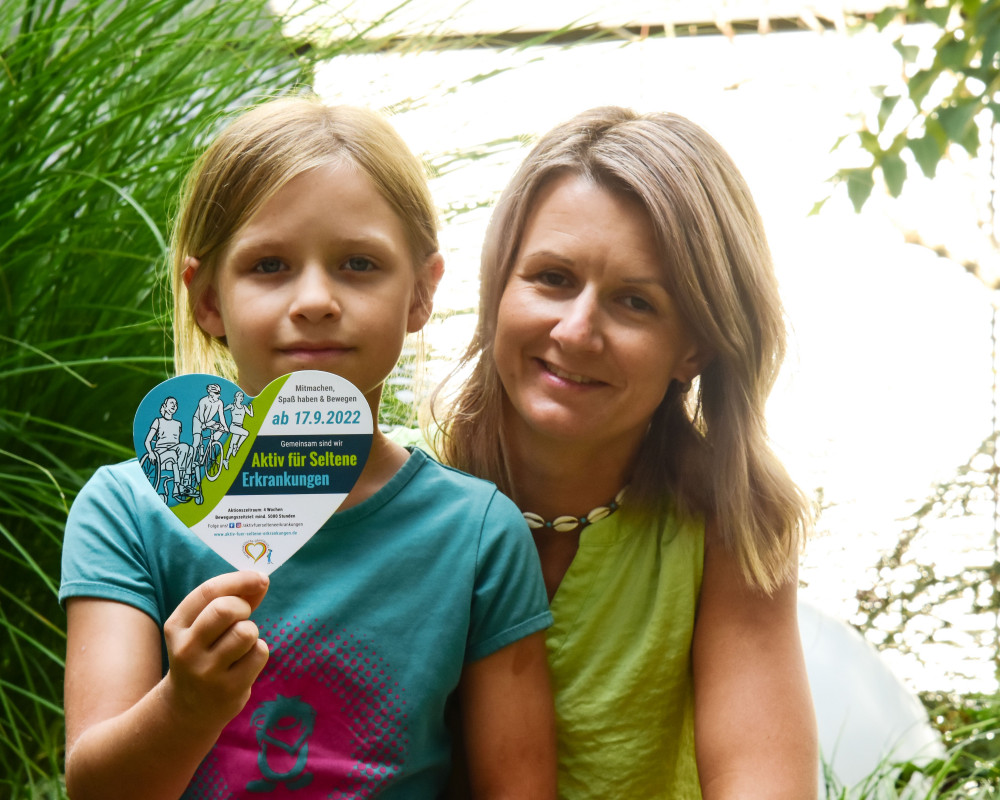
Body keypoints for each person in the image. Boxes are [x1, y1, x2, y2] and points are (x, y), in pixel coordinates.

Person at [60, 97, 556, 800]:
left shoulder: (477, 535)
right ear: (207, 300)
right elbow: (96, 790)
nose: (316, 299)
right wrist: (188, 705)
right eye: (269, 265)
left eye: (358, 263)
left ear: (421, 292)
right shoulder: (127, 512)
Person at [433, 107, 819, 799]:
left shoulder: (733, 520)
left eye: (635, 303)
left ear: (695, 347)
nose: (578, 331)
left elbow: (763, 783)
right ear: (497, 291)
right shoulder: (398, 490)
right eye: (551, 278)